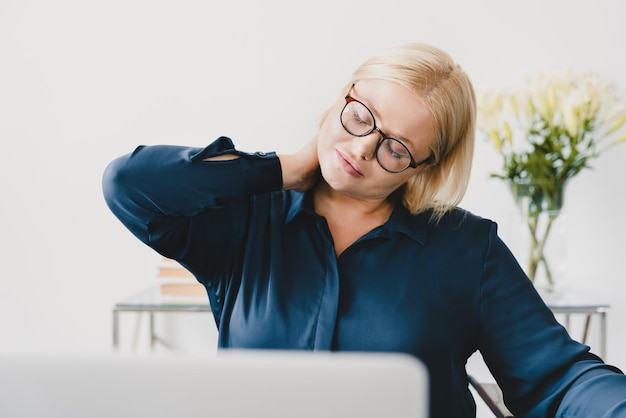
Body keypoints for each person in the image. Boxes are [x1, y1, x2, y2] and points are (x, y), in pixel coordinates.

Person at [102, 43, 626, 417]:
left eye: (396, 148)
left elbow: (558, 377)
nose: (361, 150)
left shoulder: (469, 250)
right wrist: (286, 167)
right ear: (342, 96)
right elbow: (130, 185)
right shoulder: (249, 219)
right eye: (360, 116)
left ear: (423, 166)